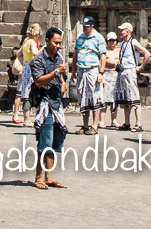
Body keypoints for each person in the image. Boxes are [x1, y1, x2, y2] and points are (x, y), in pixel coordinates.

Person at [29, 26, 68, 190]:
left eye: (60, 43)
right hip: (45, 103)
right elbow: (38, 81)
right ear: (47, 41)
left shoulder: (58, 57)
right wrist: (55, 73)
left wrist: (63, 81)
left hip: (57, 102)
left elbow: (62, 76)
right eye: (55, 43)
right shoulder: (38, 59)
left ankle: (49, 176)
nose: (58, 46)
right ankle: (39, 177)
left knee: (54, 142)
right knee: (44, 142)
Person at [114, 21, 151, 132]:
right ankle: (127, 122)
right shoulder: (122, 43)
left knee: (134, 98)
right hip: (122, 73)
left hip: (130, 72)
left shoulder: (133, 42)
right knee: (125, 99)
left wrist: (140, 67)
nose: (120, 32)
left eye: (122, 30)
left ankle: (138, 123)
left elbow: (147, 53)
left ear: (128, 31)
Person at [71, 15, 106, 134]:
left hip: (92, 70)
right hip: (81, 69)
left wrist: (101, 73)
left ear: (92, 26)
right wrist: (73, 70)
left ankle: (95, 125)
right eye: (84, 26)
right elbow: (75, 54)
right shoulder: (80, 37)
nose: (85, 28)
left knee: (94, 96)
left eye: (87, 26)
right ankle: (85, 125)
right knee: (82, 96)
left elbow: (103, 56)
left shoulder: (98, 38)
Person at [13, 22, 42, 125]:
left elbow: (18, 54)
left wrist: (24, 62)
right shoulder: (32, 43)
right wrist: (43, 51)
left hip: (26, 67)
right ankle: (27, 120)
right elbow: (35, 53)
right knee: (30, 93)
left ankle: (26, 119)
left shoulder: (26, 41)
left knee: (25, 92)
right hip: (31, 68)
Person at [102, 32, 121, 126]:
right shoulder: (104, 51)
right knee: (105, 99)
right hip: (107, 74)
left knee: (115, 100)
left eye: (114, 40)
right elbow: (103, 62)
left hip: (116, 75)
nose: (112, 42)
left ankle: (114, 120)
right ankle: (102, 120)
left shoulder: (118, 50)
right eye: (110, 40)